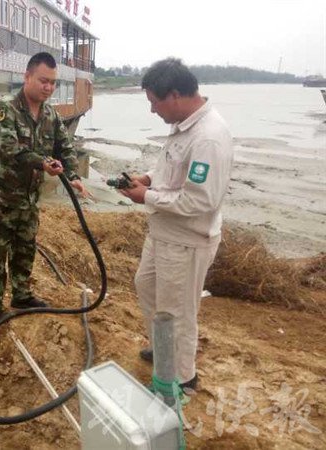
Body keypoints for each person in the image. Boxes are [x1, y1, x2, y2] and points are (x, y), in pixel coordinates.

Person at [120, 58, 233, 390]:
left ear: (173, 95)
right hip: (164, 233)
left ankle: (183, 378)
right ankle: (161, 348)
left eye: (154, 102)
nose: (153, 111)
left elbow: (201, 200)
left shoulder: (209, 137)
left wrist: (146, 197)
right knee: (146, 285)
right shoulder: (183, 124)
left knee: (179, 311)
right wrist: (147, 178)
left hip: (187, 241)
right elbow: (172, 171)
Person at [0, 52, 89, 329]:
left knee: (25, 249)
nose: (48, 88)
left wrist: (73, 174)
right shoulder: (5, 108)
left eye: (53, 83)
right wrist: (42, 162)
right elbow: (8, 149)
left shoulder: (51, 114)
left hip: (29, 199)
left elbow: (65, 146)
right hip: (2, 197)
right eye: (43, 81)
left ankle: (22, 295)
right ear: (27, 77)